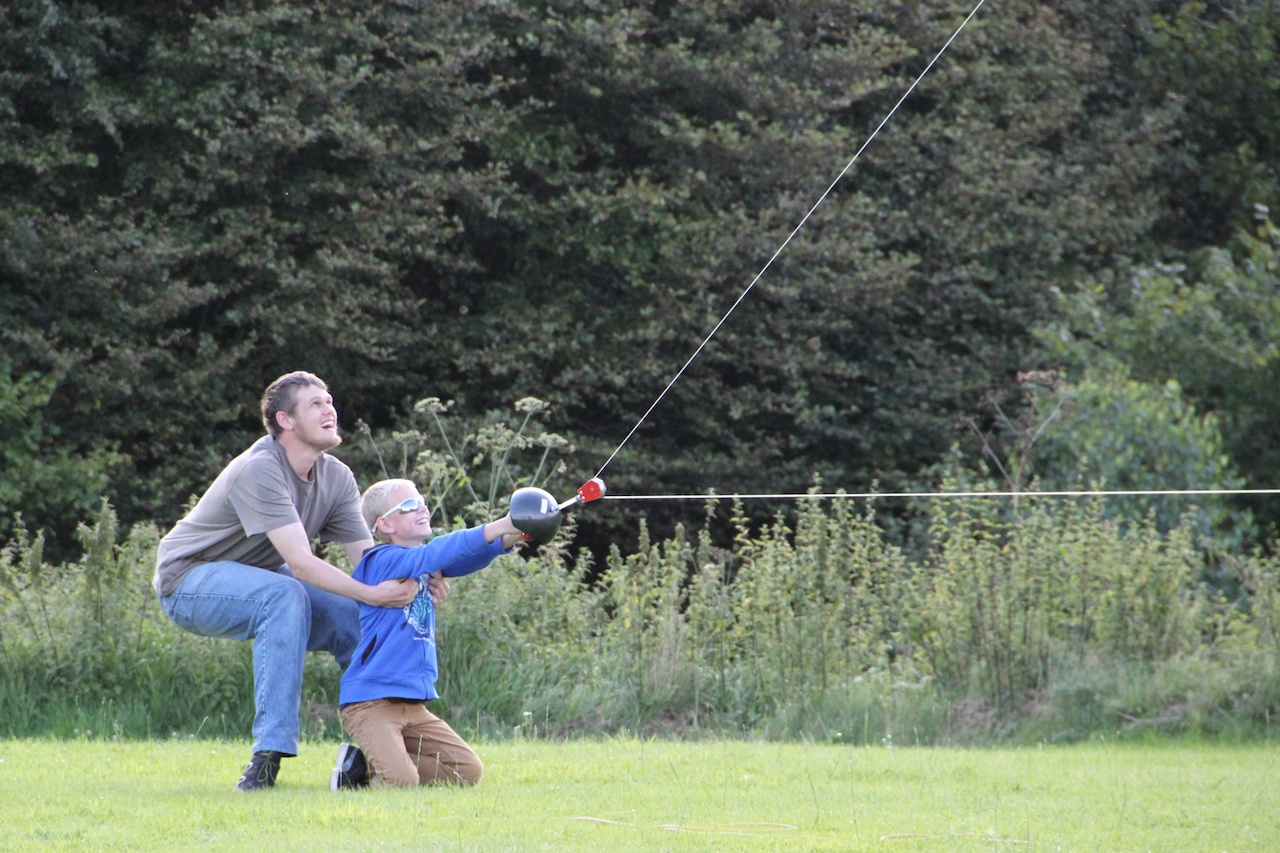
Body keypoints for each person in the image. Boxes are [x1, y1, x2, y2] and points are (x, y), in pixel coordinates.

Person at [153, 371, 424, 792]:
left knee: (357, 617)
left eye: (329, 401)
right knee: (285, 595)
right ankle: (267, 759)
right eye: (316, 404)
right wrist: (373, 593)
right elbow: (300, 564)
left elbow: (371, 563)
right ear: (286, 420)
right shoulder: (260, 469)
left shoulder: (336, 478)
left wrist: (421, 579)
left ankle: (380, 750)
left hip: (260, 577)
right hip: (188, 580)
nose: (330, 409)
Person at [329, 477, 525, 790]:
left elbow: (464, 558)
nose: (422, 508)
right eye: (409, 505)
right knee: (402, 782)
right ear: (385, 524)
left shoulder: (424, 565)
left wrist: (512, 536)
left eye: (422, 501)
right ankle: (372, 771)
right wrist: (500, 525)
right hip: (370, 702)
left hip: (412, 705)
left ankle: (363, 764)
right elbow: (437, 552)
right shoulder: (379, 560)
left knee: (467, 771)